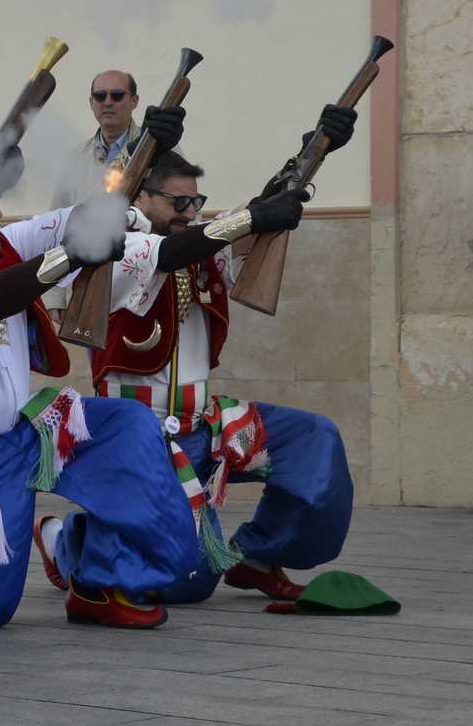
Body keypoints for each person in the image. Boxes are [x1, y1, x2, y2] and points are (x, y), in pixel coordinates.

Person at [0, 127, 210, 631]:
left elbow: (76, 220)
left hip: (18, 434)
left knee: (127, 426)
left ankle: (101, 580)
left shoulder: (2, 244)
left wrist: (145, 156)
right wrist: (67, 259)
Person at [84, 116, 356, 606]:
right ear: (142, 198)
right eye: (177, 201)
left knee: (315, 440)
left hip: (204, 421)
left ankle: (258, 555)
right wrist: (251, 218)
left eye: (196, 201)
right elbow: (170, 251)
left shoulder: (202, 242)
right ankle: (75, 540)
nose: (190, 211)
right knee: (189, 580)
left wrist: (305, 164)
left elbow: (244, 228)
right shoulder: (117, 245)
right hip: (140, 436)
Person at [54, 70, 142, 207]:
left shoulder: (156, 148)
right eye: (100, 96)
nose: (107, 102)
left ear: (134, 101)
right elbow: (57, 218)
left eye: (117, 95)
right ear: (91, 102)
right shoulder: (74, 159)